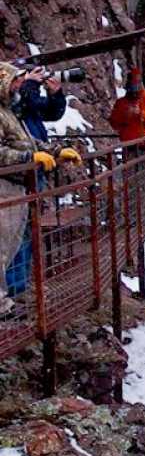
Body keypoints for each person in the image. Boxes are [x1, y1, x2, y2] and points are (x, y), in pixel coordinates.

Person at [0, 62, 74, 317]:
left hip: (22, 180)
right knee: (4, 242)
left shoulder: (9, 110)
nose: (19, 85)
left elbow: (33, 133)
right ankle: (5, 301)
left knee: (16, 239)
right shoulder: (9, 108)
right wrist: (29, 159)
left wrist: (53, 151)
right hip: (8, 183)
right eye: (17, 80)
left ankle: (12, 293)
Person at [8, 67, 66, 143]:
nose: (20, 81)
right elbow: (20, 108)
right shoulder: (9, 106)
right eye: (17, 78)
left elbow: (53, 113)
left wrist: (55, 94)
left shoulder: (22, 100)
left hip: (40, 149)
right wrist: (29, 84)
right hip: (26, 152)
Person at [108, 67, 145, 147]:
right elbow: (113, 123)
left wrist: (141, 113)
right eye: (131, 88)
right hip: (128, 145)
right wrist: (125, 116)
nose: (134, 93)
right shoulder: (121, 102)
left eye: (136, 88)